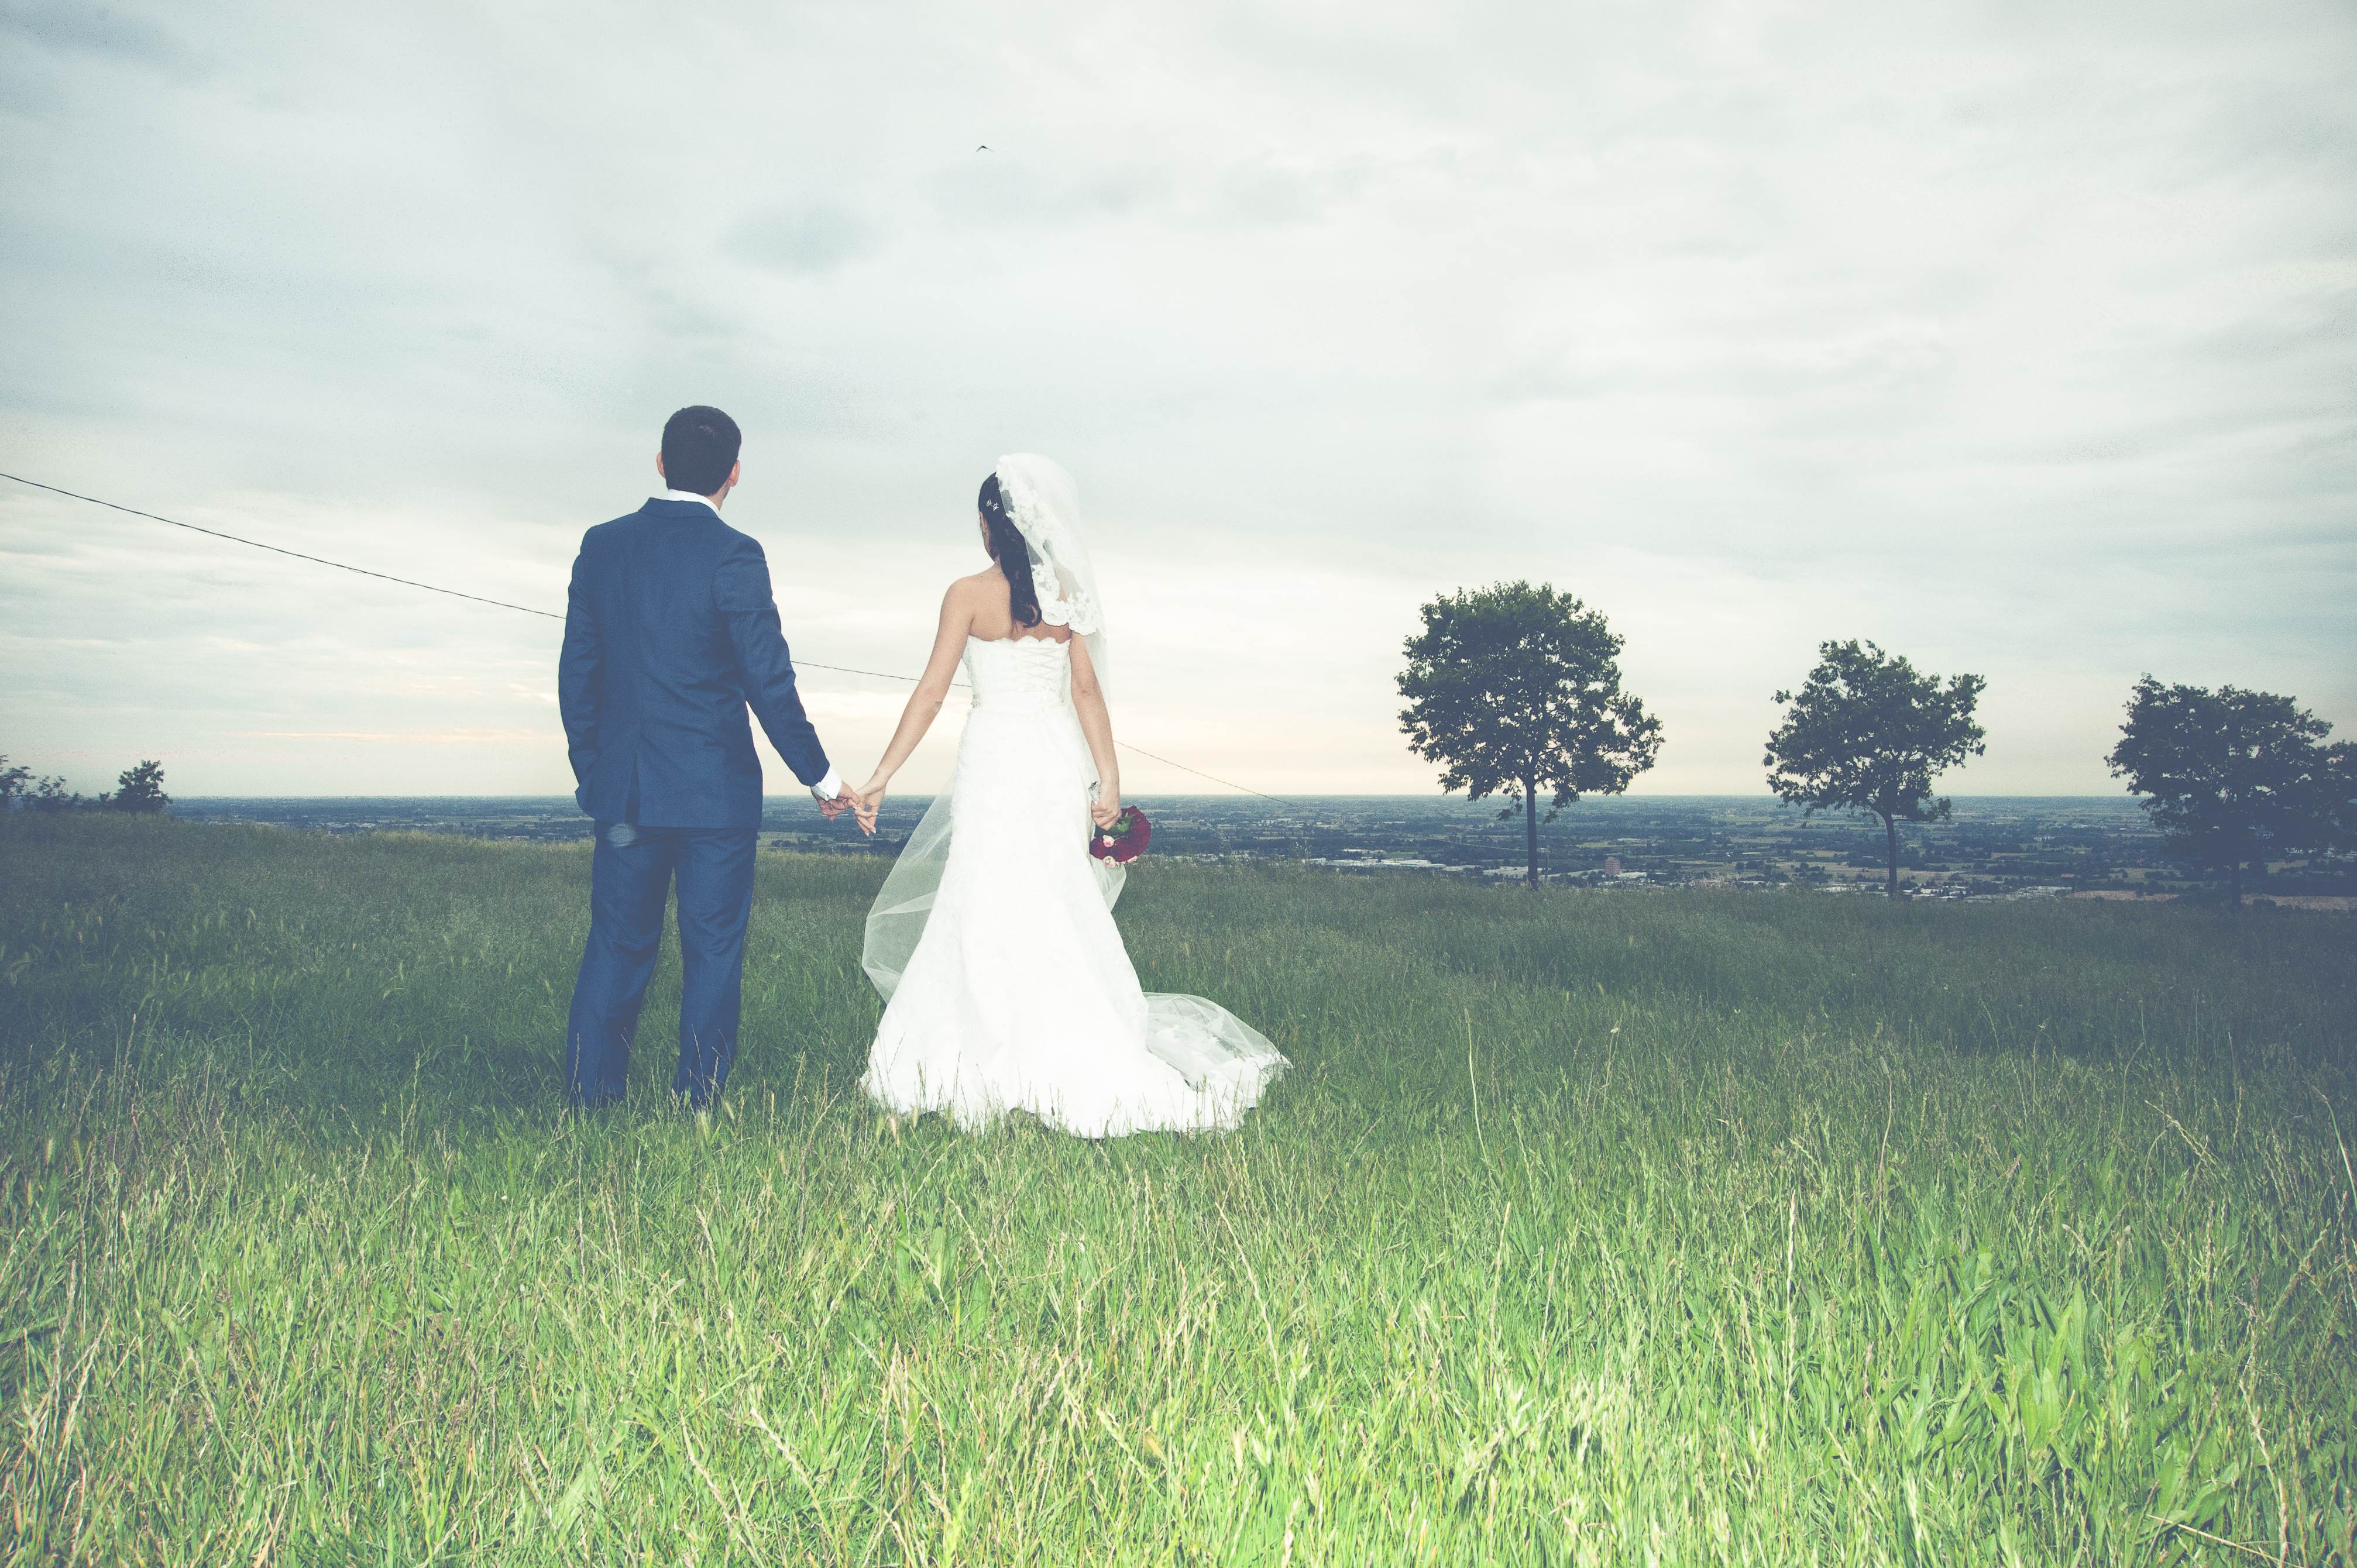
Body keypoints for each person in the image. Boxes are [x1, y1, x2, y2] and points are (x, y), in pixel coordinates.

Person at [851, 455, 1286, 1136]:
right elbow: (1085, 692)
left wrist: (881, 772)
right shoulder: (1066, 593)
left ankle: (976, 1039)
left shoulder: (964, 593)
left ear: (991, 525)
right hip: (1049, 759)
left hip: (994, 757)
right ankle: (1063, 1037)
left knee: (984, 890)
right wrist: (1108, 779)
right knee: (1051, 893)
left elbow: (932, 692)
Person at [556, 405, 856, 1109]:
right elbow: (767, 681)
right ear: (734, 474)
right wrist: (820, 776)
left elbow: (578, 675)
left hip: (625, 793)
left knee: (617, 946)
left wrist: (594, 771)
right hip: (714, 796)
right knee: (713, 950)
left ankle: (590, 1099)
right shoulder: (735, 555)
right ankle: (697, 1102)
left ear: (659, 463)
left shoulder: (602, 546)